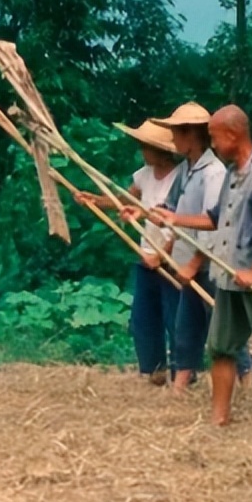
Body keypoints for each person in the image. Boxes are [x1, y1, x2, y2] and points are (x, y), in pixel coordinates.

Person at [149, 105, 252, 434]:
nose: (212, 144)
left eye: (214, 137)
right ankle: (219, 418)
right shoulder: (232, 174)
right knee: (221, 348)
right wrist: (173, 218)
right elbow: (213, 218)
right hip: (227, 276)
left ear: (233, 135)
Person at [150, 102, 252, 394]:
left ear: (190, 135)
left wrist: (194, 263)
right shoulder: (186, 170)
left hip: (211, 264)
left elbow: (214, 222)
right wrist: (142, 213)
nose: (172, 139)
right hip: (189, 264)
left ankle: (247, 382)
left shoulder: (213, 174)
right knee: (187, 328)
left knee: (221, 326)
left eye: (176, 133)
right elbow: (171, 209)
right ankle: (179, 388)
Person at [74, 119, 180, 386]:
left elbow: (184, 224)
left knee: (174, 318)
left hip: (172, 257)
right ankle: (154, 370)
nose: (141, 150)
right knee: (144, 318)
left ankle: (182, 374)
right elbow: (126, 199)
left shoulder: (181, 177)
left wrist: (163, 254)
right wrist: (96, 201)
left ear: (160, 149)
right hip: (146, 255)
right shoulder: (143, 175)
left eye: (145, 146)